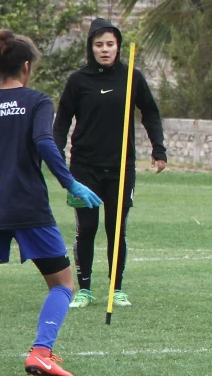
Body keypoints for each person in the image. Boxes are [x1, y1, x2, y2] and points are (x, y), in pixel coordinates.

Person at [0, 30, 103, 376]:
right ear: (26, 67)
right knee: (62, 283)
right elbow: (44, 142)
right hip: (26, 205)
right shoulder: (37, 101)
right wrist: (70, 183)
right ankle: (41, 352)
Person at [53, 18, 168, 308]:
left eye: (110, 44)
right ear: (91, 47)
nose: (104, 50)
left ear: (118, 46)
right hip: (83, 167)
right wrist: (57, 153)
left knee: (116, 229)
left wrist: (159, 148)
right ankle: (84, 289)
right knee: (87, 227)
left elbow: (151, 113)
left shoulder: (132, 78)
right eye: (98, 44)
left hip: (121, 167)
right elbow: (63, 118)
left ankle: (116, 289)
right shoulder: (78, 81)